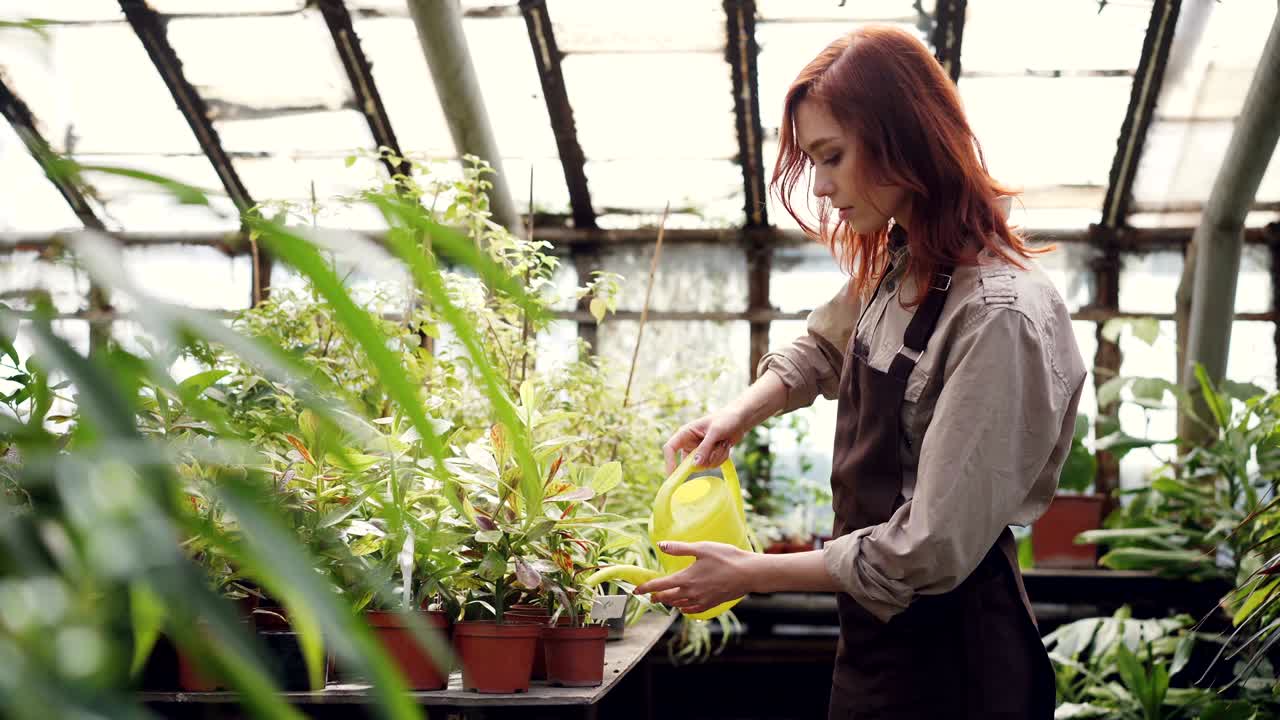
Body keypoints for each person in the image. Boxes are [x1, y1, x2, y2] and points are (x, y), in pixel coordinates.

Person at [633, 25, 1086, 719]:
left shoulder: (999, 318)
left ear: (903, 138)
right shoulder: (908, 263)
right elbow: (826, 346)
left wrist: (753, 573)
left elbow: (928, 547)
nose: (820, 186)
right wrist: (738, 414)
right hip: (878, 648)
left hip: (955, 668)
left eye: (833, 156)